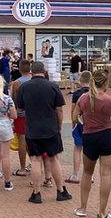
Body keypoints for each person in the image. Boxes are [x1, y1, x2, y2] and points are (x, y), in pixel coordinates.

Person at [17, 61, 71, 204]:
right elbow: (59, 109)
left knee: (35, 160)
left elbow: (20, 109)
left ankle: (36, 193)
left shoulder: (24, 87)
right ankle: (60, 191)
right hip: (50, 128)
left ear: (31, 71)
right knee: (54, 159)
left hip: (32, 129)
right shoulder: (53, 86)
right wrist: (59, 126)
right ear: (44, 70)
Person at [73, 69, 111, 218]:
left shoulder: (83, 98)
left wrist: (84, 121)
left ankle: (82, 208)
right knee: (105, 173)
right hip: (107, 135)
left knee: (87, 173)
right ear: (105, 83)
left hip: (89, 136)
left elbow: (75, 116)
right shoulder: (110, 100)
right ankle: (102, 212)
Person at [67, 70, 92, 185]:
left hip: (79, 123)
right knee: (89, 150)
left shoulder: (77, 94)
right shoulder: (94, 93)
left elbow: (73, 110)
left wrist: (73, 123)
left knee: (77, 148)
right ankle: (89, 175)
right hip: (91, 124)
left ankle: (75, 174)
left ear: (80, 80)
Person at [9, 66, 32, 177]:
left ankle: (22, 168)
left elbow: (13, 99)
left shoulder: (17, 83)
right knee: (33, 139)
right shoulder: (35, 80)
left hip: (21, 114)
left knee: (22, 140)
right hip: (34, 115)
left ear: (20, 70)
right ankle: (35, 163)